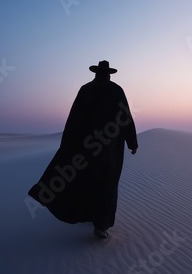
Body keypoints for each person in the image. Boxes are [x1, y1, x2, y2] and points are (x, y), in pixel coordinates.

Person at [28, 60, 138, 239]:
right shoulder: (116, 90)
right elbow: (125, 118)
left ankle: (91, 217)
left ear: (96, 73)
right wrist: (132, 143)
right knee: (106, 184)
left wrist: (67, 146)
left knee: (87, 181)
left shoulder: (85, 89)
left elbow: (74, 120)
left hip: (85, 149)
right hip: (109, 149)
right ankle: (101, 225)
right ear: (108, 74)